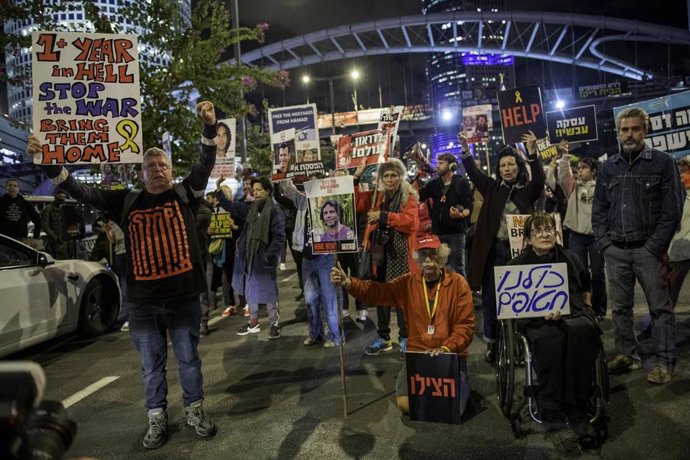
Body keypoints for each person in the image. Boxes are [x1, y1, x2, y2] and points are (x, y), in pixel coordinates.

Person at [26, 101, 219, 449]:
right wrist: (48, 162)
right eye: (150, 166)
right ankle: (156, 417)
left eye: (162, 164)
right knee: (150, 366)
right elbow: (80, 190)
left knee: (189, 359)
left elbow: (205, 165)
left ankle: (194, 410)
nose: (157, 169)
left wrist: (209, 127)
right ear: (141, 173)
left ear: (170, 170)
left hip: (184, 299)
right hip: (144, 304)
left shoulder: (183, 193)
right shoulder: (125, 201)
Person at [330, 234, 474, 415]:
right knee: (405, 404)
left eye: (433, 254)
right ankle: (438, 402)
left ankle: (440, 400)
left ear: (443, 256)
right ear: (418, 260)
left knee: (458, 409)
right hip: (418, 355)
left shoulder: (459, 284)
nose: (428, 260)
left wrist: (446, 348)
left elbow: (465, 327)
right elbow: (378, 292)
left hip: (449, 355)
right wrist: (349, 283)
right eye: (423, 255)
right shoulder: (408, 283)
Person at [592, 107, 683, 384]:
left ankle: (665, 362)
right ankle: (627, 355)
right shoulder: (609, 167)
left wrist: (655, 246)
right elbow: (599, 209)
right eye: (624, 130)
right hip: (616, 251)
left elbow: (672, 210)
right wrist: (606, 243)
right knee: (620, 308)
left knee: (660, 309)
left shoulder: (663, 163)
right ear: (618, 133)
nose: (629, 134)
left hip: (648, 250)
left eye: (635, 129)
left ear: (645, 130)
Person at [509, 212, 601, 447]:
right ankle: (550, 405)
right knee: (549, 338)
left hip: (573, 312)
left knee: (581, 333)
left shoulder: (570, 258)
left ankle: (577, 406)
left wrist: (587, 307)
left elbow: (586, 283)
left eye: (549, 229)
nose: (545, 234)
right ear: (528, 238)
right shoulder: (516, 266)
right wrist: (539, 311)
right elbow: (510, 303)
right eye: (538, 231)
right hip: (535, 319)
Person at [459, 129, 545, 363]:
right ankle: (493, 342)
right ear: (498, 169)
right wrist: (466, 150)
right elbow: (474, 174)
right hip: (494, 251)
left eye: (511, 164)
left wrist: (532, 153)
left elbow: (539, 179)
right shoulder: (491, 188)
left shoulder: (527, 192)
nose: (507, 169)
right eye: (502, 165)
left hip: (520, 253)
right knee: (491, 299)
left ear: (518, 167)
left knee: (522, 298)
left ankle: (520, 340)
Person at [354, 158, 420, 357]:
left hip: (400, 255)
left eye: (393, 175)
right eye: (386, 176)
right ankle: (384, 338)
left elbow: (410, 223)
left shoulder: (409, 197)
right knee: (381, 296)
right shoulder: (378, 196)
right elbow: (357, 203)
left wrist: (383, 217)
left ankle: (405, 338)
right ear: (381, 178)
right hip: (379, 253)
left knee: (401, 298)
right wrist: (357, 177)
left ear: (400, 177)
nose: (390, 179)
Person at [216, 176, 285, 339]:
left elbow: (279, 237)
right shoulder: (250, 209)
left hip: (265, 259)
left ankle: (274, 323)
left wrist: (268, 256)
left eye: (259, 190)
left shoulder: (275, 211)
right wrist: (219, 189)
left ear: (268, 191)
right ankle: (253, 322)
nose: (256, 193)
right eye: (254, 190)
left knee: (269, 292)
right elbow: (230, 206)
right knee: (250, 290)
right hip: (249, 258)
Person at [281, 175, 342, 348]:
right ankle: (315, 333)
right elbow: (287, 189)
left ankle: (336, 336)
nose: (313, 187)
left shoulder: (330, 205)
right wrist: (282, 170)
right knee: (310, 300)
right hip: (307, 258)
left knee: (329, 300)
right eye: (310, 184)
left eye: (317, 183)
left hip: (325, 258)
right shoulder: (302, 201)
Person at [558, 153, 606, 318]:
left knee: (598, 274)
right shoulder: (572, 187)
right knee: (580, 273)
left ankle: (599, 310)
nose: (580, 171)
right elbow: (563, 175)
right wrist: (564, 158)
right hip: (577, 237)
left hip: (597, 237)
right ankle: (582, 308)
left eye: (584, 168)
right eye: (579, 168)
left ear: (593, 171)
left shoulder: (601, 187)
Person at [418, 153, 473, 276]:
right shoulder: (434, 184)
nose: (437, 166)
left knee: (457, 268)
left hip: (456, 234)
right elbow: (418, 196)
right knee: (439, 267)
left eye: (441, 163)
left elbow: (469, 206)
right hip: (437, 233)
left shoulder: (461, 182)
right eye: (437, 163)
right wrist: (418, 177)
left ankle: (461, 294)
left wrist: (461, 214)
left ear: (451, 166)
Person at [668, 156, 690, 307]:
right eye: (679, 172)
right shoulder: (674, 194)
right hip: (678, 251)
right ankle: (663, 325)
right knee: (669, 292)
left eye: (684, 172)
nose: (681, 175)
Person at [41, 190, 69, 259]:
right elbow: (45, 226)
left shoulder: (63, 209)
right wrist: (54, 237)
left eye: (63, 197)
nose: (62, 198)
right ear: (55, 197)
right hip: (54, 240)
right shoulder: (48, 209)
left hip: (64, 239)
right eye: (60, 196)